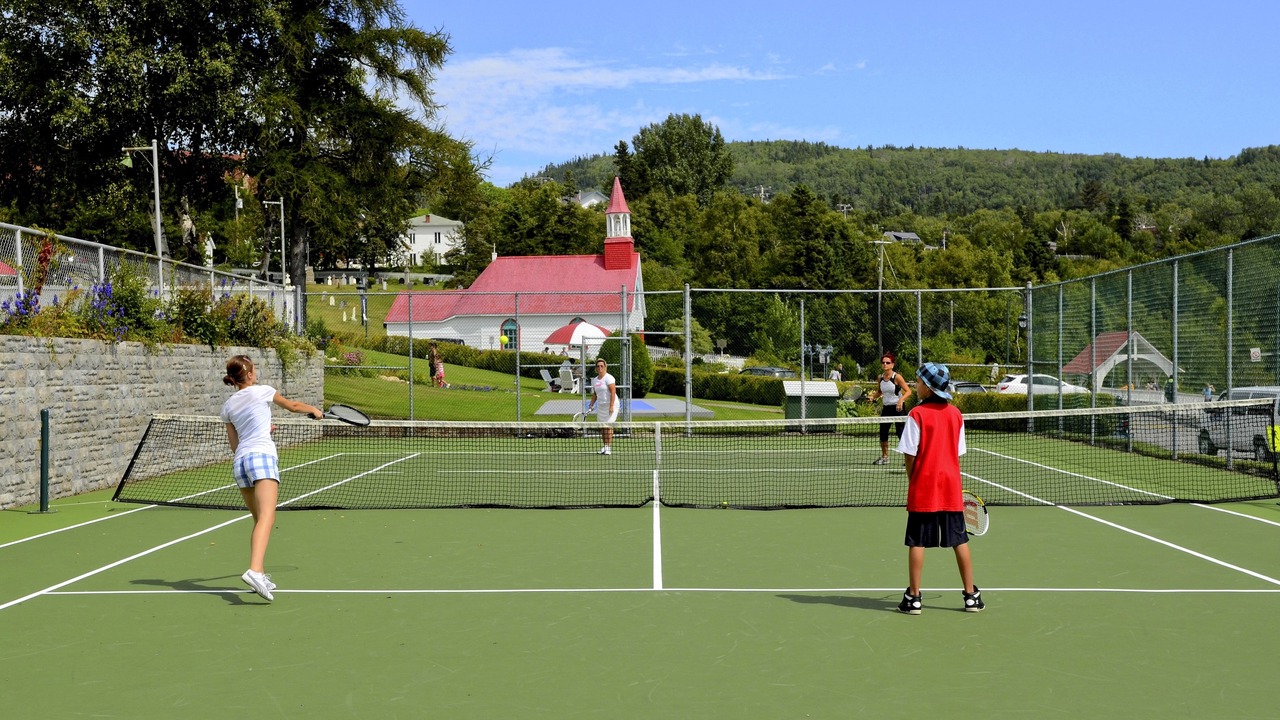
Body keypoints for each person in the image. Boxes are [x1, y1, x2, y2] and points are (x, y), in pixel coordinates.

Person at [221, 355, 323, 602]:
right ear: (250, 374)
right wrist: (315, 410)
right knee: (267, 517)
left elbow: (236, 445)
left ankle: (261, 574)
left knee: (259, 520)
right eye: (254, 369)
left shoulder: (227, 406)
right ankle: (254, 571)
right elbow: (293, 406)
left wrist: (264, 430)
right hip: (262, 458)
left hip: (241, 463)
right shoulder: (263, 391)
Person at [894, 361, 983, 615]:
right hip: (951, 489)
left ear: (930, 388)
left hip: (924, 488)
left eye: (919, 382)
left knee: (917, 543)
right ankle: (971, 597)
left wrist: (915, 479)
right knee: (960, 540)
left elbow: (909, 454)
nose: (915, 385)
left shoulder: (917, 415)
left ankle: (913, 598)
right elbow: (958, 453)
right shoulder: (956, 414)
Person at [868, 352, 912, 465]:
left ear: (892, 364)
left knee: (900, 432)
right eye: (883, 362)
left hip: (898, 408)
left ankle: (909, 458)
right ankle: (885, 457)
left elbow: (908, 391)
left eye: (888, 362)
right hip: (886, 408)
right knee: (883, 432)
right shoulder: (880, 378)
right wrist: (873, 396)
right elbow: (879, 392)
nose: (885, 364)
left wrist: (901, 401)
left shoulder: (897, 377)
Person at [587, 358, 618, 455]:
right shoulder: (595, 380)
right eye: (598, 366)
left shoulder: (609, 378)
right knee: (603, 427)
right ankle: (605, 447)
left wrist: (611, 406)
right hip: (601, 406)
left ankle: (608, 448)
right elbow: (595, 394)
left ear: (605, 367)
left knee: (608, 426)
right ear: (596, 368)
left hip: (611, 405)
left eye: (602, 366)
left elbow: (613, 392)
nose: (600, 367)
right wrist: (591, 404)